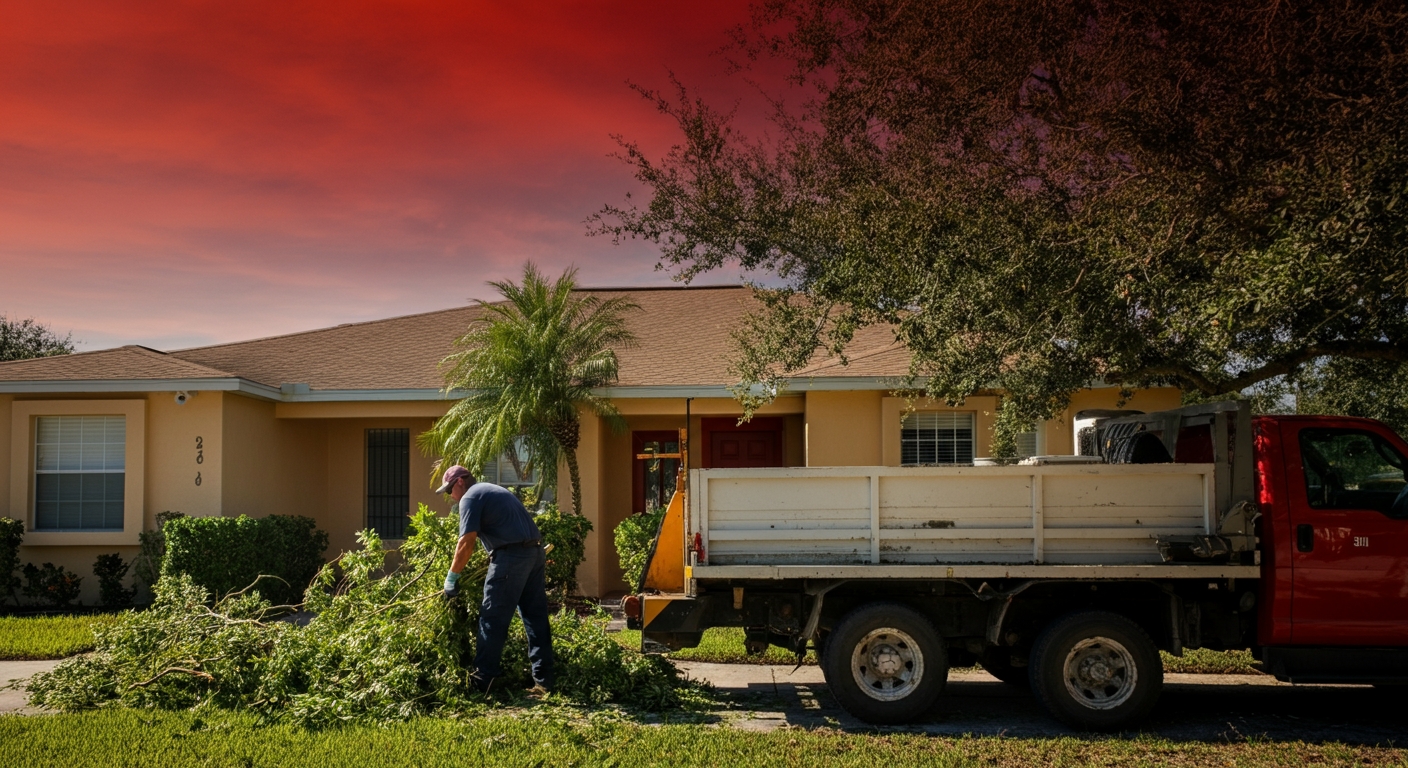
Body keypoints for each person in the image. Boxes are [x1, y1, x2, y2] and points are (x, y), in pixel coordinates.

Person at [438, 464, 553, 693]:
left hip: (511, 558)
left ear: (460, 481)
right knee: (535, 617)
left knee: (492, 619)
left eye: (450, 489)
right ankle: (544, 682)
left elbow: (466, 542)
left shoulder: (469, 497)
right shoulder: (491, 489)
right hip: (533, 553)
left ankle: (482, 683)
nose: (450, 496)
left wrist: (451, 578)